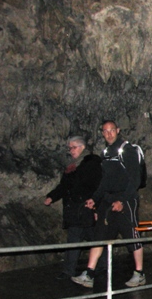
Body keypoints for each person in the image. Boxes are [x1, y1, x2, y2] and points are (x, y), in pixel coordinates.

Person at [72, 120, 145, 288]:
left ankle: (140, 273)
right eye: (106, 131)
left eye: (112, 130)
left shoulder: (128, 150)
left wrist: (123, 200)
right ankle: (89, 274)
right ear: (102, 133)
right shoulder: (105, 153)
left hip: (126, 199)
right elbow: (104, 181)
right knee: (100, 235)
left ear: (118, 130)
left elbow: (135, 179)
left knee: (132, 235)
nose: (109, 133)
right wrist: (95, 198)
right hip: (109, 199)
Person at [44, 136, 102, 279]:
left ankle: (102, 267)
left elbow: (97, 185)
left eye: (73, 147)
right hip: (74, 209)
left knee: (94, 238)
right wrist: (52, 196)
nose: (71, 151)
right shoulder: (72, 167)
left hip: (85, 208)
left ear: (82, 147)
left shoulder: (92, 162)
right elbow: (65, 186)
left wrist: (96, 204)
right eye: (69, 148)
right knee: (76, 239)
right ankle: (70, 270)